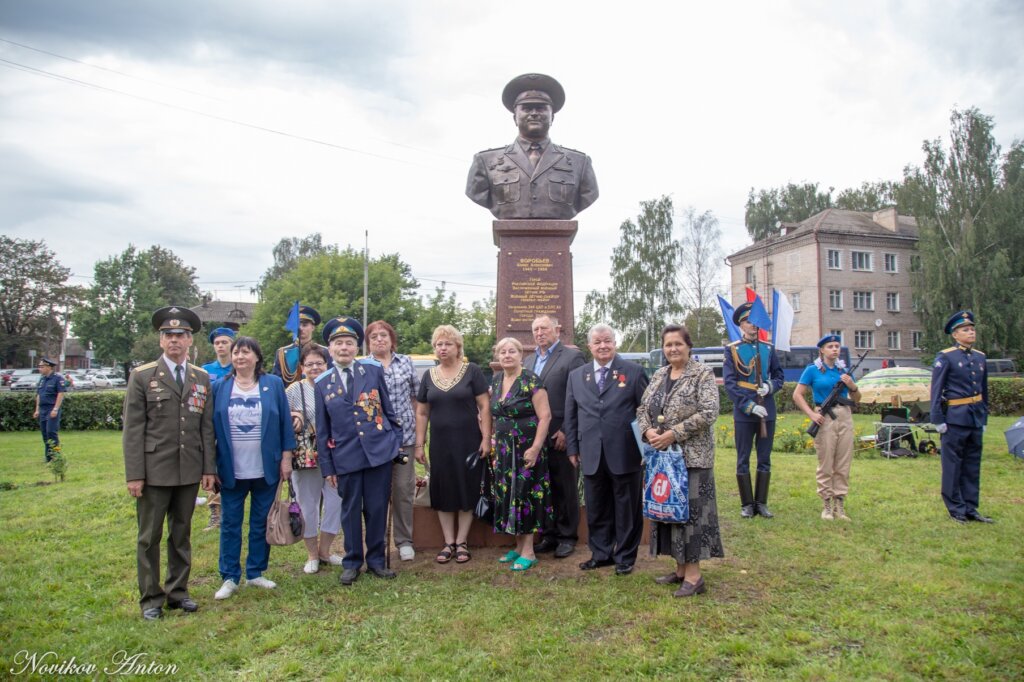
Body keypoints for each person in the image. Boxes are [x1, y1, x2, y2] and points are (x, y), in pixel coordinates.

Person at [123, 306, 216, 620]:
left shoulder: (201, 377)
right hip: (154, 470)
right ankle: (151, 599)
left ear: (190, 340)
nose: (174, 340)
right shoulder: (142, 376)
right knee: (149, 537)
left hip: (188, 468)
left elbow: (206, 427)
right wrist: (134, 474)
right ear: (161, 340)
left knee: (181, 533)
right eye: (168, 334)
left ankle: (178, 592)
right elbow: (133, 430)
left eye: (180, 335)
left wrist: (208, 468)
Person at [637, 324, 724, 597]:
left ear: (689, 346)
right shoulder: (660, 374)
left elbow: (709, 412)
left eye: (678, 344)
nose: (673, 349)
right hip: (662, 459)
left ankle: (695, 577)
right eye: (668, 344)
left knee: (691, 516)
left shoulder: (702, 373)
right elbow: (642, 408)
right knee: (670, 513)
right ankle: (680, 570)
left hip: (692, 458)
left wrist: (673, 434)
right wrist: (647, 431)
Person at [316, 317, 402, 586]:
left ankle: (376, 561)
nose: (344, 348)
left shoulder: (373, 371)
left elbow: (388, 409)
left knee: (377, 508)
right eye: (338, 343)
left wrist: (395, 442)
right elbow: (323, 430)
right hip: (346, 457)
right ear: (330, 349)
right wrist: (328, 467)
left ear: (357, 347)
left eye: (349, 343)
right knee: (350, 510)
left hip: (378, 453)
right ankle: (352, 561)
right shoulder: (322, 383)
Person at [211, 337, 295, 600]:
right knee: (230, 524)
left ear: (257, 357)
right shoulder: (219, 387)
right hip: (231, 469)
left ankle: (256, 572)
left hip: (265, 468)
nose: (240, 357)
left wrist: (286, 459)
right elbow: (209, 429)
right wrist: (209, 466)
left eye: (246, 352)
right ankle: (229, 576)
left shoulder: (273, 384)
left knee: (261, 522)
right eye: (236, 352)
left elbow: (284, 424)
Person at [563, 323, 649, 575]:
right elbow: (571, 415)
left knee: (626, 508)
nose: (603, 346)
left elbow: (646, 412)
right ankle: (601, 554)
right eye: (597, 342)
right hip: (590, 452)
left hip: (625, 452)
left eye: (607, 341)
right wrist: (572, 447)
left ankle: (625, 557)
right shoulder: (577, 376)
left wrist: (646, 448)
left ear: (615, 343)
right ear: (589, 346)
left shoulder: (634, 372)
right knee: (596, 506)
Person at [466, 73, 598, 221]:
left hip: (559, 231)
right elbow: (476, 193)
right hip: (509, 231)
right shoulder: (485, 161)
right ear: (515, 117)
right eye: (527, 108)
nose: (534, 113)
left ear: (552, 117)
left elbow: (588, 194)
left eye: (541, 108)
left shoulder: (580, 162)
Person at [414, 325, 491, 565]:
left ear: (458, 347)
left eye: (448, 344)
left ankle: (462, 542)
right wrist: (419, 444)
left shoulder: (472, 371)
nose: (443, 348)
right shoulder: (429, 376)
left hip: (469, 442)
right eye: (439, 344)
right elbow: (422, 412)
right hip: (440, 444)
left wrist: (486, 438)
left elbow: (484, 406)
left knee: (466, 487)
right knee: (443, 488)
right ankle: (448, 542)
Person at [524, 314, 585, 558]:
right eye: (536, 329)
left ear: (557, 330)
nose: (540, 333)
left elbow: (579, 395)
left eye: (544, 328)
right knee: (543, 486)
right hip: (535, 435)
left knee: (564, 486)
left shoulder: (572, 357)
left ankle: (567, 536)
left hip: (559, 432)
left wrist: (568, 430)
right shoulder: (528, 361)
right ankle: (548, 534)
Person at [490, 337, 553, 572]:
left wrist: (535, 448)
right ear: (498, 356)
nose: (507, 355)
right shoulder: (497, 380)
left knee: (524, 494)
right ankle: (518, 547)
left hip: (527, 448)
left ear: (520, 355)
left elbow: (545, 416)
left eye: (512, 351)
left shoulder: (531, 380)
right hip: (505, 449)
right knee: (510, 494)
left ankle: (529, 552)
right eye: (503, 352)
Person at [363, 320, 421, 561]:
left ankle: (404, 540)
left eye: (383, 335)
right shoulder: (362, 366)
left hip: (404, 440)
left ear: (391, 339)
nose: (379, 339)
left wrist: (419, 435)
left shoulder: (405, 362)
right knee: (376, 492)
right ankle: (376, 540)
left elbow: (417, 399)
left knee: (403, 488)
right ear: (368, 342)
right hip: (376, 441)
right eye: (374, 336)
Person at [722, 302, 784, 518]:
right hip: (745, 411)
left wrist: (770, 387)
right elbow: (730, 384)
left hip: (767, 408)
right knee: (743, 458)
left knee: (764, 457)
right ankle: (747, 504)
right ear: (741, 325)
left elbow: (779, 376)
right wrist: (749, 406)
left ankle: (761, 503)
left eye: (755, 321)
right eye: (749, 321)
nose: (753, 325)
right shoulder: (732, 349)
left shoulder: (768, 348)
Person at [930, 311, 993, 524]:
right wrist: (938, 419)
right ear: (955, 335)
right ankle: (955, 508)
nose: (971, 332)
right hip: (955, 418)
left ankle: (970, 507)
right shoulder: (946, 356)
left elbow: (984, 390)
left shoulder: (980, 357)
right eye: (966, 330)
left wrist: (984, 418)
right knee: (953, 465)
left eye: (972, 329)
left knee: (972, 465)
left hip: (975, 418)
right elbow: (936, 390)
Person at [286, 345, 344, 573]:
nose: (315, 368)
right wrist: (294, 416)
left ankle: (325, 550)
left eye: (319, 363)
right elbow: (282, 419)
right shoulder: (294, 390)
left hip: (335, 454)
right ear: (302, 367)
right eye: (309, 364)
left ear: (327, 364)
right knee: (307, 504)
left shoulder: (336, 385)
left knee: (336, 502)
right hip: (306, 457)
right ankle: (312, 554)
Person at [793, 335, 860, 521]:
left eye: (837, 346)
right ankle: (827, 505)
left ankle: (840, 505)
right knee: (826, 462)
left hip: (844, 415)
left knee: (843, 462)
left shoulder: (843, 371)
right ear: (822, 350)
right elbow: (797, 395)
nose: (835, 349)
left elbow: (857, 399)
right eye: (830, 346)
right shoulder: (813, 370)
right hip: (824, 416)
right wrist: (811, 414)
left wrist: (852, 386)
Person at [201, 326, 236, 530]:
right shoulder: (205, 370)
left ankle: (231, 507)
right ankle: (215, 511)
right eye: (217, 343)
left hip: (234, 424)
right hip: (212, 423)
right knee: (211, 465)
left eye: (225, 342)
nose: (221, 346)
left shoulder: (239, 367)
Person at [272, 305, 329, 387]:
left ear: (313, 327)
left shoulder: (325, 352)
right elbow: (276, 383)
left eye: (305, 325)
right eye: (297, 325)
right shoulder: (282, 353)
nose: (300, 328)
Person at [33, 357, 66, 462]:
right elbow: (39, 395)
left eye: (41, 367)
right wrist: (37, 409)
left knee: (51, 432)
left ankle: (56, 456)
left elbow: (60, 394)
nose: (39, 369)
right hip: (43, 409)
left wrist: (55, 409)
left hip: (51, 409)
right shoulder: (42, 379)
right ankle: (48, 457)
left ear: (49, 367)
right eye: (39, 367)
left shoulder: (57, 378)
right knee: (45, 434)